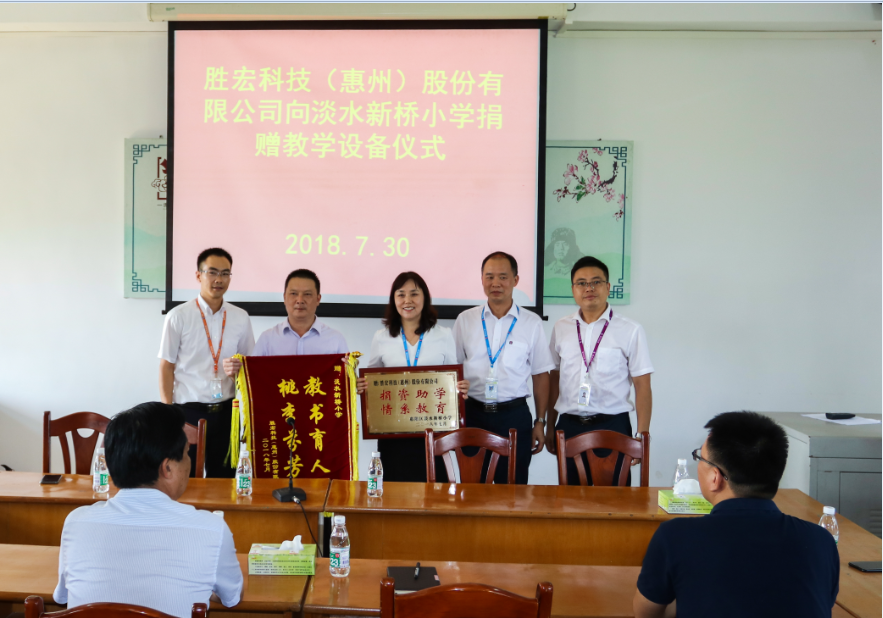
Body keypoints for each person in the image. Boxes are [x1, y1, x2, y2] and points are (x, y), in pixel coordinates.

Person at [634, 411, 840, 618]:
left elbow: (646, 613)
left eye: (699, 457)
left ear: (715, 477)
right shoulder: (821, 541)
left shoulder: (675, 536)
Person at [54, 402, 243, 618]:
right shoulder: (211, 529)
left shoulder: (77, 522)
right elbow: (232, 597)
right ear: (167, 468)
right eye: (186, 454)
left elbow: (62, 596)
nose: (189, 462)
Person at [546, 256, 653, 485]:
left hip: (613, 426)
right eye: (581, 283)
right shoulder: (561, 327)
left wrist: (641, 436)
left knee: (614, 500)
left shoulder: (630, 330)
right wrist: (549, 425)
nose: (589, 288)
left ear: (608, 287)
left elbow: (642, 385)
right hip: (569, 425)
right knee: (570, 499)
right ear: (573, 289)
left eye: (596, 282)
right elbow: (554, 379)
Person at [356, 272, 469, 482]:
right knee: (394, 491)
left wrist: (460, 388)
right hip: (393, 433)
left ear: (425, 298)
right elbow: (373, 381)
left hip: (433, 432)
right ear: (394, 300)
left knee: (435, 492)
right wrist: (363, 386)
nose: (407, 300)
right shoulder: (381, 337)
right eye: (401, 295)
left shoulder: (443, 334)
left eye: (414, 294)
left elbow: (453, 377)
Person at [452, 251, 554, 484]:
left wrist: (540, 421)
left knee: (514, 491)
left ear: (516, 280)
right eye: (489, 277)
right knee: (473, 488)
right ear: (481, 279)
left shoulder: (531, 323)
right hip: (473, 414)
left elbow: (541, 375)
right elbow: (453, 370)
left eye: (503, 277)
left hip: (514, 417)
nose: (495, 283)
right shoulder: (465, 320)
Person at [159, 247, 254, 478]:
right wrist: (168, 414)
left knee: (223, 482)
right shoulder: (178, 316)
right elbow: (166, 366)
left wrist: (238, 369)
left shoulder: (240, 317)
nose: (218, 279)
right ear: (198, 275)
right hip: (187, 413)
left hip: (227, 413)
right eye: (212, 272)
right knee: (183, 479)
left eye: (225, 273)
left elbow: (249, 365)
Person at [250, 268, 347, 356]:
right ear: (284, 297)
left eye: (307, 294)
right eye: (293, 293)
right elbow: (252, 370)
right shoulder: (267, 339)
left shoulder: (335, 340)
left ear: (318, 299)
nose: (300, 300)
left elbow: (348, 370)